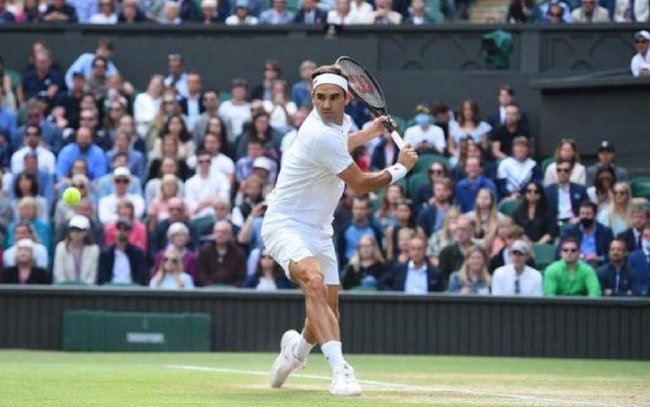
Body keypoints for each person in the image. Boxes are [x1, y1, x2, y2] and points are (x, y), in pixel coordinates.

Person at [261, 64, 418, 396]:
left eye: (334, 97)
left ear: (346, 98)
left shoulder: (337, 125)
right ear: (312, 97)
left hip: (319, 230)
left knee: (327, 310)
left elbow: (341, 142)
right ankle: (340, 371)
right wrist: (401, 168)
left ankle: (294, 354)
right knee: (314, 282)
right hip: (285, 224)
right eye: (320, 98)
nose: (326, 104)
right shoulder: (319, 133)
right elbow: (359, 185)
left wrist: (371, 133)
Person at [560, 201, 614, 268]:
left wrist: (599, 258)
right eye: (582, 214)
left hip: (599, 266)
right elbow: (558, 253)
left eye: (588, 214)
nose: (585, 217)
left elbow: (613, 254)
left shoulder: (606, 232)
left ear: (595, 215)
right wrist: (575, 255)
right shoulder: (570, 232)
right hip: (575, 265)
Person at [98, 217, 148, 285]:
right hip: (110, 289)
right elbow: (102, 278)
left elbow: (141, 277)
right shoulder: (105, 253)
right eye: (119, 228)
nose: (121, 231)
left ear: (130, 232)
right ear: (114, 231)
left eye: (125, 229)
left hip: (131, 289)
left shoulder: (137, 253)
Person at [336, 196, 383, 267]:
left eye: (362, 208)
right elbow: (340, 252)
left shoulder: (375, 230)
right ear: (352, 209)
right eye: (356, 208)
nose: (359, 211)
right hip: (349, 267)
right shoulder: (344, 230)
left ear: (367, 210)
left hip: (372, 267)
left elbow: (379, 251)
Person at [197, 220, 247, 287]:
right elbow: (201, 274)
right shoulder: (204, 251)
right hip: (208, 289)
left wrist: (232, 289)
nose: (220, 235)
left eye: (224, 232)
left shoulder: (239, 253)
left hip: (232, 290)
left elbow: (241, 277)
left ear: (230, 234)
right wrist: (210, 287)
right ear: (213, 233)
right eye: (217, 232)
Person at [53, 215, 100, 285]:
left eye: (79, 230)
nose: (75, 233)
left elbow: (92, 276)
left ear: (86, 232)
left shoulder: (94, 250)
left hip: (87, 289)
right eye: (72, 230)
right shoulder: (61, 248)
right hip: (64, 289)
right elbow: (59, 274)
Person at [545, 158, 588, 225]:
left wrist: (579, 218)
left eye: (566, 170)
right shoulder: (548, 191)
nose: (562, 173)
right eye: (559, 170)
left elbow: (587, 207)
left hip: (574, 222)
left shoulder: (580, 189)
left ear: (571, 172)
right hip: (554, 223)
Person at [437, 215, 475, 281]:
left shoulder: (478, 251)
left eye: (463, 229)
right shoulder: (446, 252)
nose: (460, 233)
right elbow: (442, 278)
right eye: (458, 229)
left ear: (471, 231)